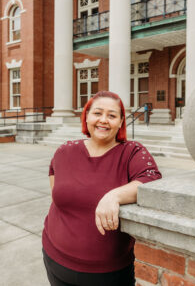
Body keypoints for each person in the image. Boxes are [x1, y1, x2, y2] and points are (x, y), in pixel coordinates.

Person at [42, 91, 162, 286]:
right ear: (87, 116)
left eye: (112, 115)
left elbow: (152, 181)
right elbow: (56, 196)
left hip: (109, 274)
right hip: (54, 258)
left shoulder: (132, 152)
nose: (103, 120)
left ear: (121, 121)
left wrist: (114, 195)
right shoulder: (65, 151)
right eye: (97, 113)